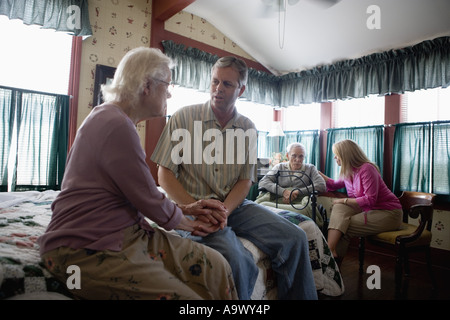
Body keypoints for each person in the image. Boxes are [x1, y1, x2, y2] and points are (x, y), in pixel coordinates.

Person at [37, 47, 238, 300]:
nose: (170, 92)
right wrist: (192, 222)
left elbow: (138, 193)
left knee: (216, 265)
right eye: (167, 84)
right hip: (83, 247)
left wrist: (186, 210)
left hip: (126, 232)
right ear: (146, 85)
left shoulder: (114, 119)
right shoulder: (116, 124)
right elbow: (148, 198)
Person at [151, 56, 317, 300]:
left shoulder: (248, 128)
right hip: (193, 206)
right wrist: (196, 209)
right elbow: (164, 173)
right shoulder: (183, 118)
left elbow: (245, 180)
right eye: (215, 82)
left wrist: (225, 211)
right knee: (236, 259)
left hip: (234, 206)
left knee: (296, 236)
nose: (218, 89)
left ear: (242, 89)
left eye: (227, 84)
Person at [319, 139, 403, 260]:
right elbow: (333, 184)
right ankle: (330, 252)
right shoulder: (348, 171)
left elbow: (370, 199)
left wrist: (344, 200)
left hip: (389, 213)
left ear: (345, 155)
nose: (334, 158)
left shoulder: (367, 169)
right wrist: (316, 172)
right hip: (370, 210)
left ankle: (331, 263)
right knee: (339, 208)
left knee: (343, 226)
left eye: (336, 155)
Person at [255, 142, 326, 226]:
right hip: (278, 201)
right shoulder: (279, 167)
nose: (298, 159)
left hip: (300, 204)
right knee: (260, 205)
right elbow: (263, 182)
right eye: (294, 155)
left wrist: (297, 192)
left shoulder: (310, 168)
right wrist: (283, 192)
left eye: (301, 156)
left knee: (301, 211)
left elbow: (321, 185)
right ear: (288, 155)